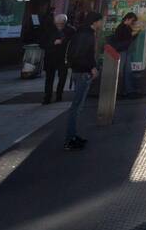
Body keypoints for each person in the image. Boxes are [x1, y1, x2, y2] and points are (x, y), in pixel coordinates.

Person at [64, 11, 103, 150]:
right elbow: (82, 55)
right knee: (76, 107)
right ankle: (70, 139)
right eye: (100, 21)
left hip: (79, 72)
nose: (101, 23)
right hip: (82, 73)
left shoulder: (82, 32)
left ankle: (73, 135)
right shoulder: (86, 34)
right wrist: (91, 67)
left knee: (78, 107)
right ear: (95, 22)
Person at [40, 12, 75, 105]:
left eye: (61, 24)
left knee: (62, 77)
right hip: (50, 57)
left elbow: (73, 44)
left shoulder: (70, 31)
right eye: (57, 24)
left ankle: (59, 94)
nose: (59, 25)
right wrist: (53, 43)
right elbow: (42, 43)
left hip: (64, 57)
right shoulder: (49, 30)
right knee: (49, 78)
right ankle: (47, 97)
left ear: (65, 23)